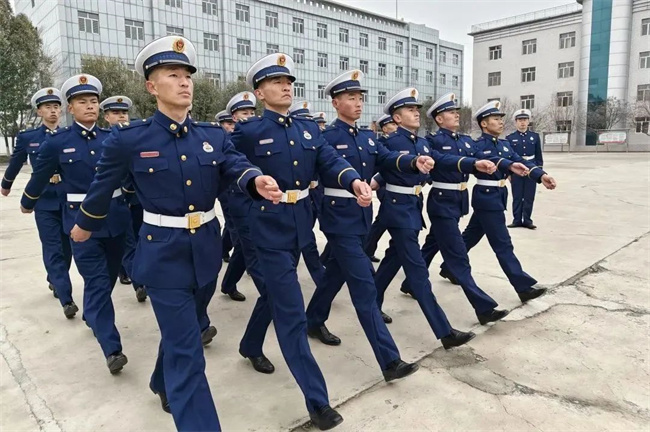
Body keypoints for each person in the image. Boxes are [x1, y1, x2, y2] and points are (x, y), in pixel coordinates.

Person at [68, 36, 281, 431]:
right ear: (151, 86)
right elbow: (101, 188)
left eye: (187, 75)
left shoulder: (212, 136)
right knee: (188, 351)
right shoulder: (129, 139)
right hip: (162, 256)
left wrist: (255, 180)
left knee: (181, 332)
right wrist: (84, 225)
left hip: (206, 253)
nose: (184, 82)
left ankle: (159, 381)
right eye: (173, 75)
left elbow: (236, 166)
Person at [232, 52, 375, 430]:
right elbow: (230, 170)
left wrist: (353, 180)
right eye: (276, 82)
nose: (285, 87)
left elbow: (330, 161)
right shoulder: (248, 131)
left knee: (273, 295)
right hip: (267, 228)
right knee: (292, 310)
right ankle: (317, 400)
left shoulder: (307, 129)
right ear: (260, 93)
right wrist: (251, 192)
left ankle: (249, 344)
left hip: (300, 223)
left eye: (288, 82)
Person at [304, 69, 428, 383]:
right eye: (351, 98)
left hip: (361, 216)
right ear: (335, 103)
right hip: (337, 218)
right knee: (364, 285)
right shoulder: (326, 137)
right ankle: (389, 360)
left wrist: (413, 162)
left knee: (335, 273)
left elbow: (388, 158)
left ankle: (313, 319)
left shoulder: (368, 137)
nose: (358, 103)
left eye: (360, 98)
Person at [20, 75, 131, 372]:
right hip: (80, 224)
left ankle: (92, 313)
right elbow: (40, 175)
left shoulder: (113, 138)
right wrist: (28, 201)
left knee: (107, 280)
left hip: (116, 220)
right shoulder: (58, 142)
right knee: (96, 282)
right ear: (70, 107)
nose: (90, 106)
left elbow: (130, 176)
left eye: (94, 101)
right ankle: (112, 349)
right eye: (83, 102)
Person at [388, 93, 509, 325]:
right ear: (439, 119)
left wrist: (495, 164)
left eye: (456, 112)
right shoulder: (429, 141)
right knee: (457, 256)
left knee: (431, 245)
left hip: (456, 201)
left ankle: (409, 284)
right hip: (441, 202)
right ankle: (483, 307)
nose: (456, 115)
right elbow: (440, 160)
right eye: (451, 112)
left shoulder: (463, 140)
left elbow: (475, 158)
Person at [371, 87, 475, 349]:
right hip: (398, 209)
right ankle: (444, 331)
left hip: (413, 206)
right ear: (396, 118)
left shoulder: (421, 142)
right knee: (417, 270)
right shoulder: (390, 141)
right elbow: (389, 161)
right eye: (410, 110)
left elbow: (441, 159)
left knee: (393, 258)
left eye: (417, 109)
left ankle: (371, 302)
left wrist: (473, 164)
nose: (416, 113)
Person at [440, 101, 556, 303]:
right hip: (486, 196)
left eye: (501, 119)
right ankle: (522, 285)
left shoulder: (504, 144)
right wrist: (509, 165)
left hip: (498, 195)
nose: (501, 122)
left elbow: (522, 161)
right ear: (484, 124)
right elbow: (494, 161)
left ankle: (448, 267)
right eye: (496, 119)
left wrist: (540, 175)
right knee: (502, 243)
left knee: (471, 235)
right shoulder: (478, 145)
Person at [1, 87, 74, 316]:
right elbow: (16, 161)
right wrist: (6, 184)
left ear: (61, 111)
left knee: (67, 247)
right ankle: (66, 298)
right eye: (47, 107)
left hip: (67, 198)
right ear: (39, 111)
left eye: (56, 107)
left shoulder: (69, 135)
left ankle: (55, 278)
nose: (52, 111)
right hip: (43, 199)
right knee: (52, 246)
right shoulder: (28, 137)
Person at [99, 95, 148, 303]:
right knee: (127, 243)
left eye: (124, 112)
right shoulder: (102, 140)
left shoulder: (135, 137)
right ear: (106, 117)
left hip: (136, 199)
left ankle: (133, 276)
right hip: (115, 201)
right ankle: (138, 282)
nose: (121, 116)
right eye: (116, 113)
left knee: (136, 240)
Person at [219, 91, 260, 302]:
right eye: (245, 113)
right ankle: (272, 295)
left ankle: (228, 284)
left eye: (252, 112)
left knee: (244, 249)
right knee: (252, 249)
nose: (249, 116)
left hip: (257, 197)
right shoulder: (231, 139)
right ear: (234, 117)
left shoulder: (258, 134)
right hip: (238, 199)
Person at [364, 113, 398, 263]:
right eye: (393, 124)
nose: (396, 127)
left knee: (383, 222)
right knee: (384, 222)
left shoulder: (399, 141)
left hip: (398, 186)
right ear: (384, 128)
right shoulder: (383, 143)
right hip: (385, 186)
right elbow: (379, 165)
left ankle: (367, 249)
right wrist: (378, 179)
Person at [506, 108, 544, 229]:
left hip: (531, 168)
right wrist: (509, 174)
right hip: (516, 169)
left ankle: (527, 220)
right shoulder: (510, 138)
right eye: (520, 120)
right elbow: (508, 157)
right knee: (517, 196)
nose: (522, 122)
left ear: (528, 121)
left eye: (525, 120)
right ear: (516, 122)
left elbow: (538, 156)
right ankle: (517, 219)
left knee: (529, 196)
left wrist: (539, 172)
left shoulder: (535, 137)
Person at [215, 109, 236, 262]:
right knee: (233, 223)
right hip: (226, 189)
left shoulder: (238, 137)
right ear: (220, 125)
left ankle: (223, 249)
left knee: (232, 223)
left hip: (240, 188)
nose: (232, 127)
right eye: (229, 124)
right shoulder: (217, 142)